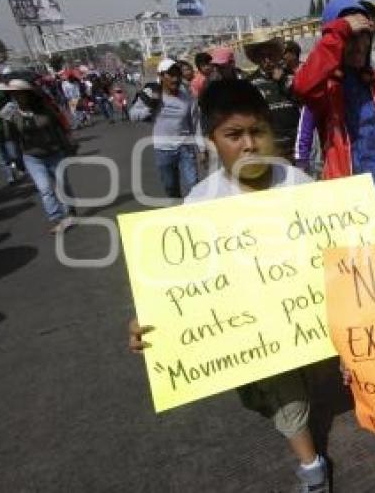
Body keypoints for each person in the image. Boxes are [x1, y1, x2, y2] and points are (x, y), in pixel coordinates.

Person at [129, 78, 329, 492]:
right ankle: (276, 406)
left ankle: (313, 470)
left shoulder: (299, 186)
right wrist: (149, 318)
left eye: (257, 131)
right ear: (211, 141)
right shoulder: (201, 201)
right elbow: (181, 278)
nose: (249, 144)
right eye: (233, 135)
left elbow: (336, 242)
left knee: (287, 396)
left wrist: (373, 249)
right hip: (238, 328)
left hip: (289, 323)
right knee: (256, 396)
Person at [293, 0, 375, 238]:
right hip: (344, 203)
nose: (360, 46)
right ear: (335, 39)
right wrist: (341, 30)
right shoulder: (325, 87)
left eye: (364, 37)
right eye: (351, 38)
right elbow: (302, 86)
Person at [0, 79, 76, 234]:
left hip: (54, 152)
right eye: (14, 94)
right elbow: (10, 138)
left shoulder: (44, 108)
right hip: (32, 157)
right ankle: (57, 218)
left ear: (28, 94)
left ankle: (70, 212)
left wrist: (68, 144)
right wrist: (15, 158)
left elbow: (59, 126)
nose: (17, 97)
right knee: (45, 189)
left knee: (62, 184)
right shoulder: (11, 113)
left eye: (20, 94)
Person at [147, 59, 201, 198]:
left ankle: (196, 215)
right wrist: (151, 107)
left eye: (177, 74)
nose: (175, 78)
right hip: (163, 150)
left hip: (185, 147)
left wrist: (202, 149)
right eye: (170, 75)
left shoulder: (187, 98)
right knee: (171, 188)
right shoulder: (153, 95)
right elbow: (134, 114)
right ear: (161, 76)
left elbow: (195, 124)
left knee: (193, 185)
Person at [245, 30, 301, 161]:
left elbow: (302, 102)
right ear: (257, 58)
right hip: (271, 146)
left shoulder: (291, 77)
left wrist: (282, 81)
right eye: (262, 56)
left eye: (271, 55)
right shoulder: (250, 83)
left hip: (297, 143)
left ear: (277, 55)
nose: (267, 60)